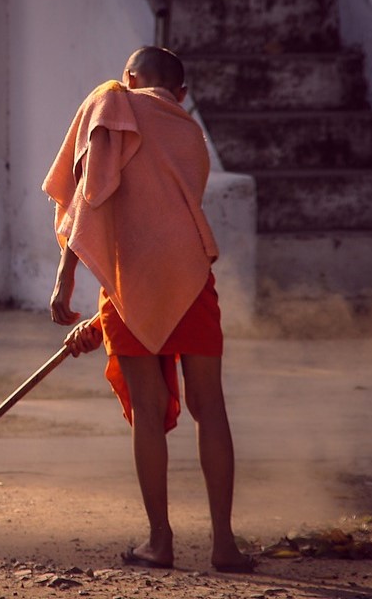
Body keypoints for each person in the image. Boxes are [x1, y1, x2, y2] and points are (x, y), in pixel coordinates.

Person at [42, 46, 254, 573]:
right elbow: (166, 216)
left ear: (129, 77)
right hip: (190, 275)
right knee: (212, 406)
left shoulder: (111, 102)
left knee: (147, 409)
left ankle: (160, 542)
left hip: (130, 278)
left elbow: (92, 194)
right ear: (181, 94)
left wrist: (66, 276)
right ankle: (224, 544)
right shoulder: (189, 131)